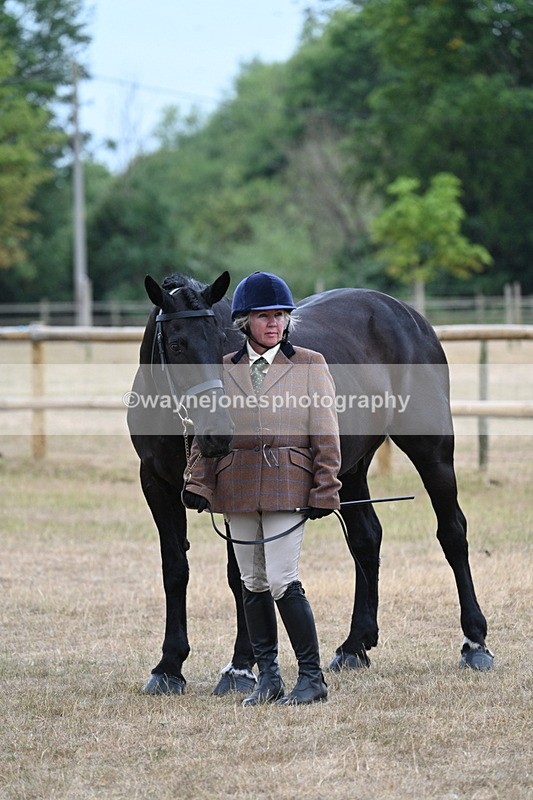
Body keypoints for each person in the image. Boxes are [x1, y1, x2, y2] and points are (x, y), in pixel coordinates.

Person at [183, 271, 341, 706]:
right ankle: (268, 677)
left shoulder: (310, 364)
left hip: (287, 481)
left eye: (281, 315)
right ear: (243, 322)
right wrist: (198, 482)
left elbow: (326, 434)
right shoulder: (224, 368)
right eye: (264, 316)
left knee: (281, 578)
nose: (274, 323)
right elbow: (203, 433)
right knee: (251, 581)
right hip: (235, 483)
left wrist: (326, 488)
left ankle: (312, 678)